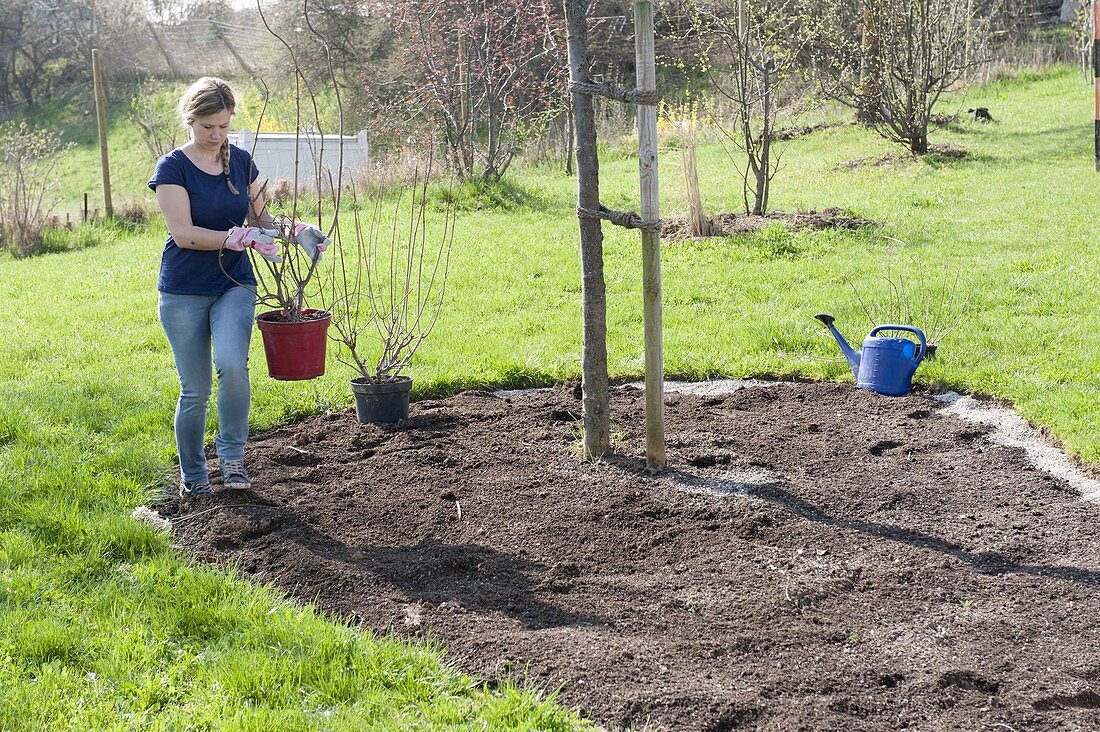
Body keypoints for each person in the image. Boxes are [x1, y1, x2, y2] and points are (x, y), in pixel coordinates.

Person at [148, 77, 298, 502]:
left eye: (224, 127)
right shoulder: (172, 168)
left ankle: (232, 458)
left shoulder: (240, 161)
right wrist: (238, 236)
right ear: (190, 121)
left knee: (233, 365)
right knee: (194, 389)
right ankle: (193, 475)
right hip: (184, 290)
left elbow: (261, 219)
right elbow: (183, 234)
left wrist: (296, 230)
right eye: (208, 127)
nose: (217, 136)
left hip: (234, 281)